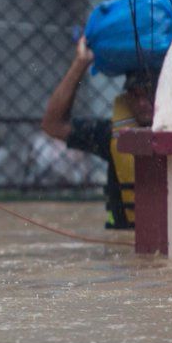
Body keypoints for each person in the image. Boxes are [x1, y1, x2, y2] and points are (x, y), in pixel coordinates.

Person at [41, 36, 156, 230]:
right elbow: (52, 125)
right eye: (135, 95)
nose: (143, 103)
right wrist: (80, 64)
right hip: (122, 243)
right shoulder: (110, 135)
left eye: (149, 93)